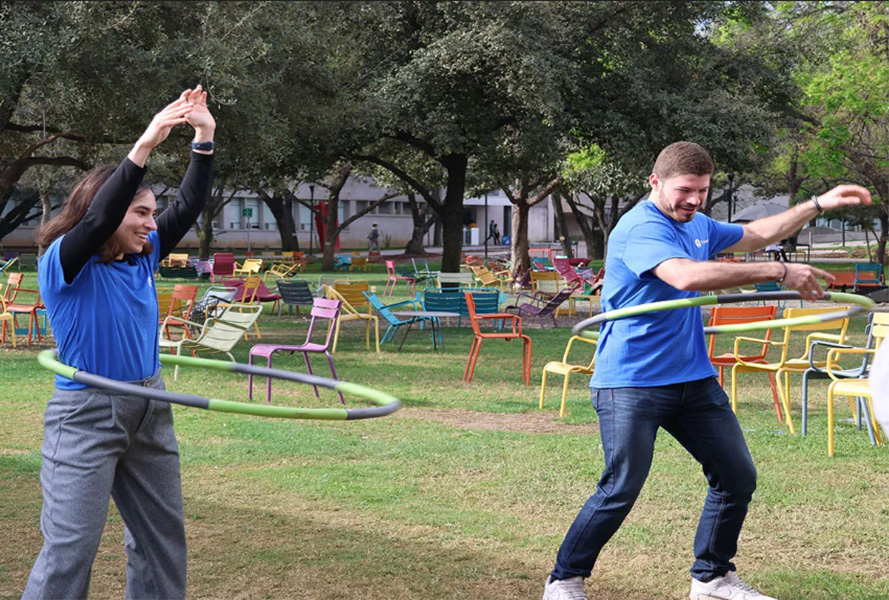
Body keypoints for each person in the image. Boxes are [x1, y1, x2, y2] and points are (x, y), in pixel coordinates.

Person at [542, 141, 871, 600]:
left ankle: (712, 577)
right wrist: (780, 274)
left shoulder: (696, 223)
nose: (694, 200)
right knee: (622, 486)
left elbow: (755, 234)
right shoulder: (640, 227)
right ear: (655, 182)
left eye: (702, 191)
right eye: (685, 190)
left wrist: (816, 204)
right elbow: (685, 278)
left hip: (693, 379)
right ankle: (564, 579)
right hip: (631, 381)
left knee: (737, 475)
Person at [23, 85, 215, 600]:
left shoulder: (141, 259)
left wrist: (204, 136)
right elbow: (98, 220)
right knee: (70, 550)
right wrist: (146, 144)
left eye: (153, 215)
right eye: (142, 214)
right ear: (109, 214)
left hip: (150, 405)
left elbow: (191, 204)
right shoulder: (64, 262)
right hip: (86, 412)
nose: (152, 226)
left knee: (161, 544)